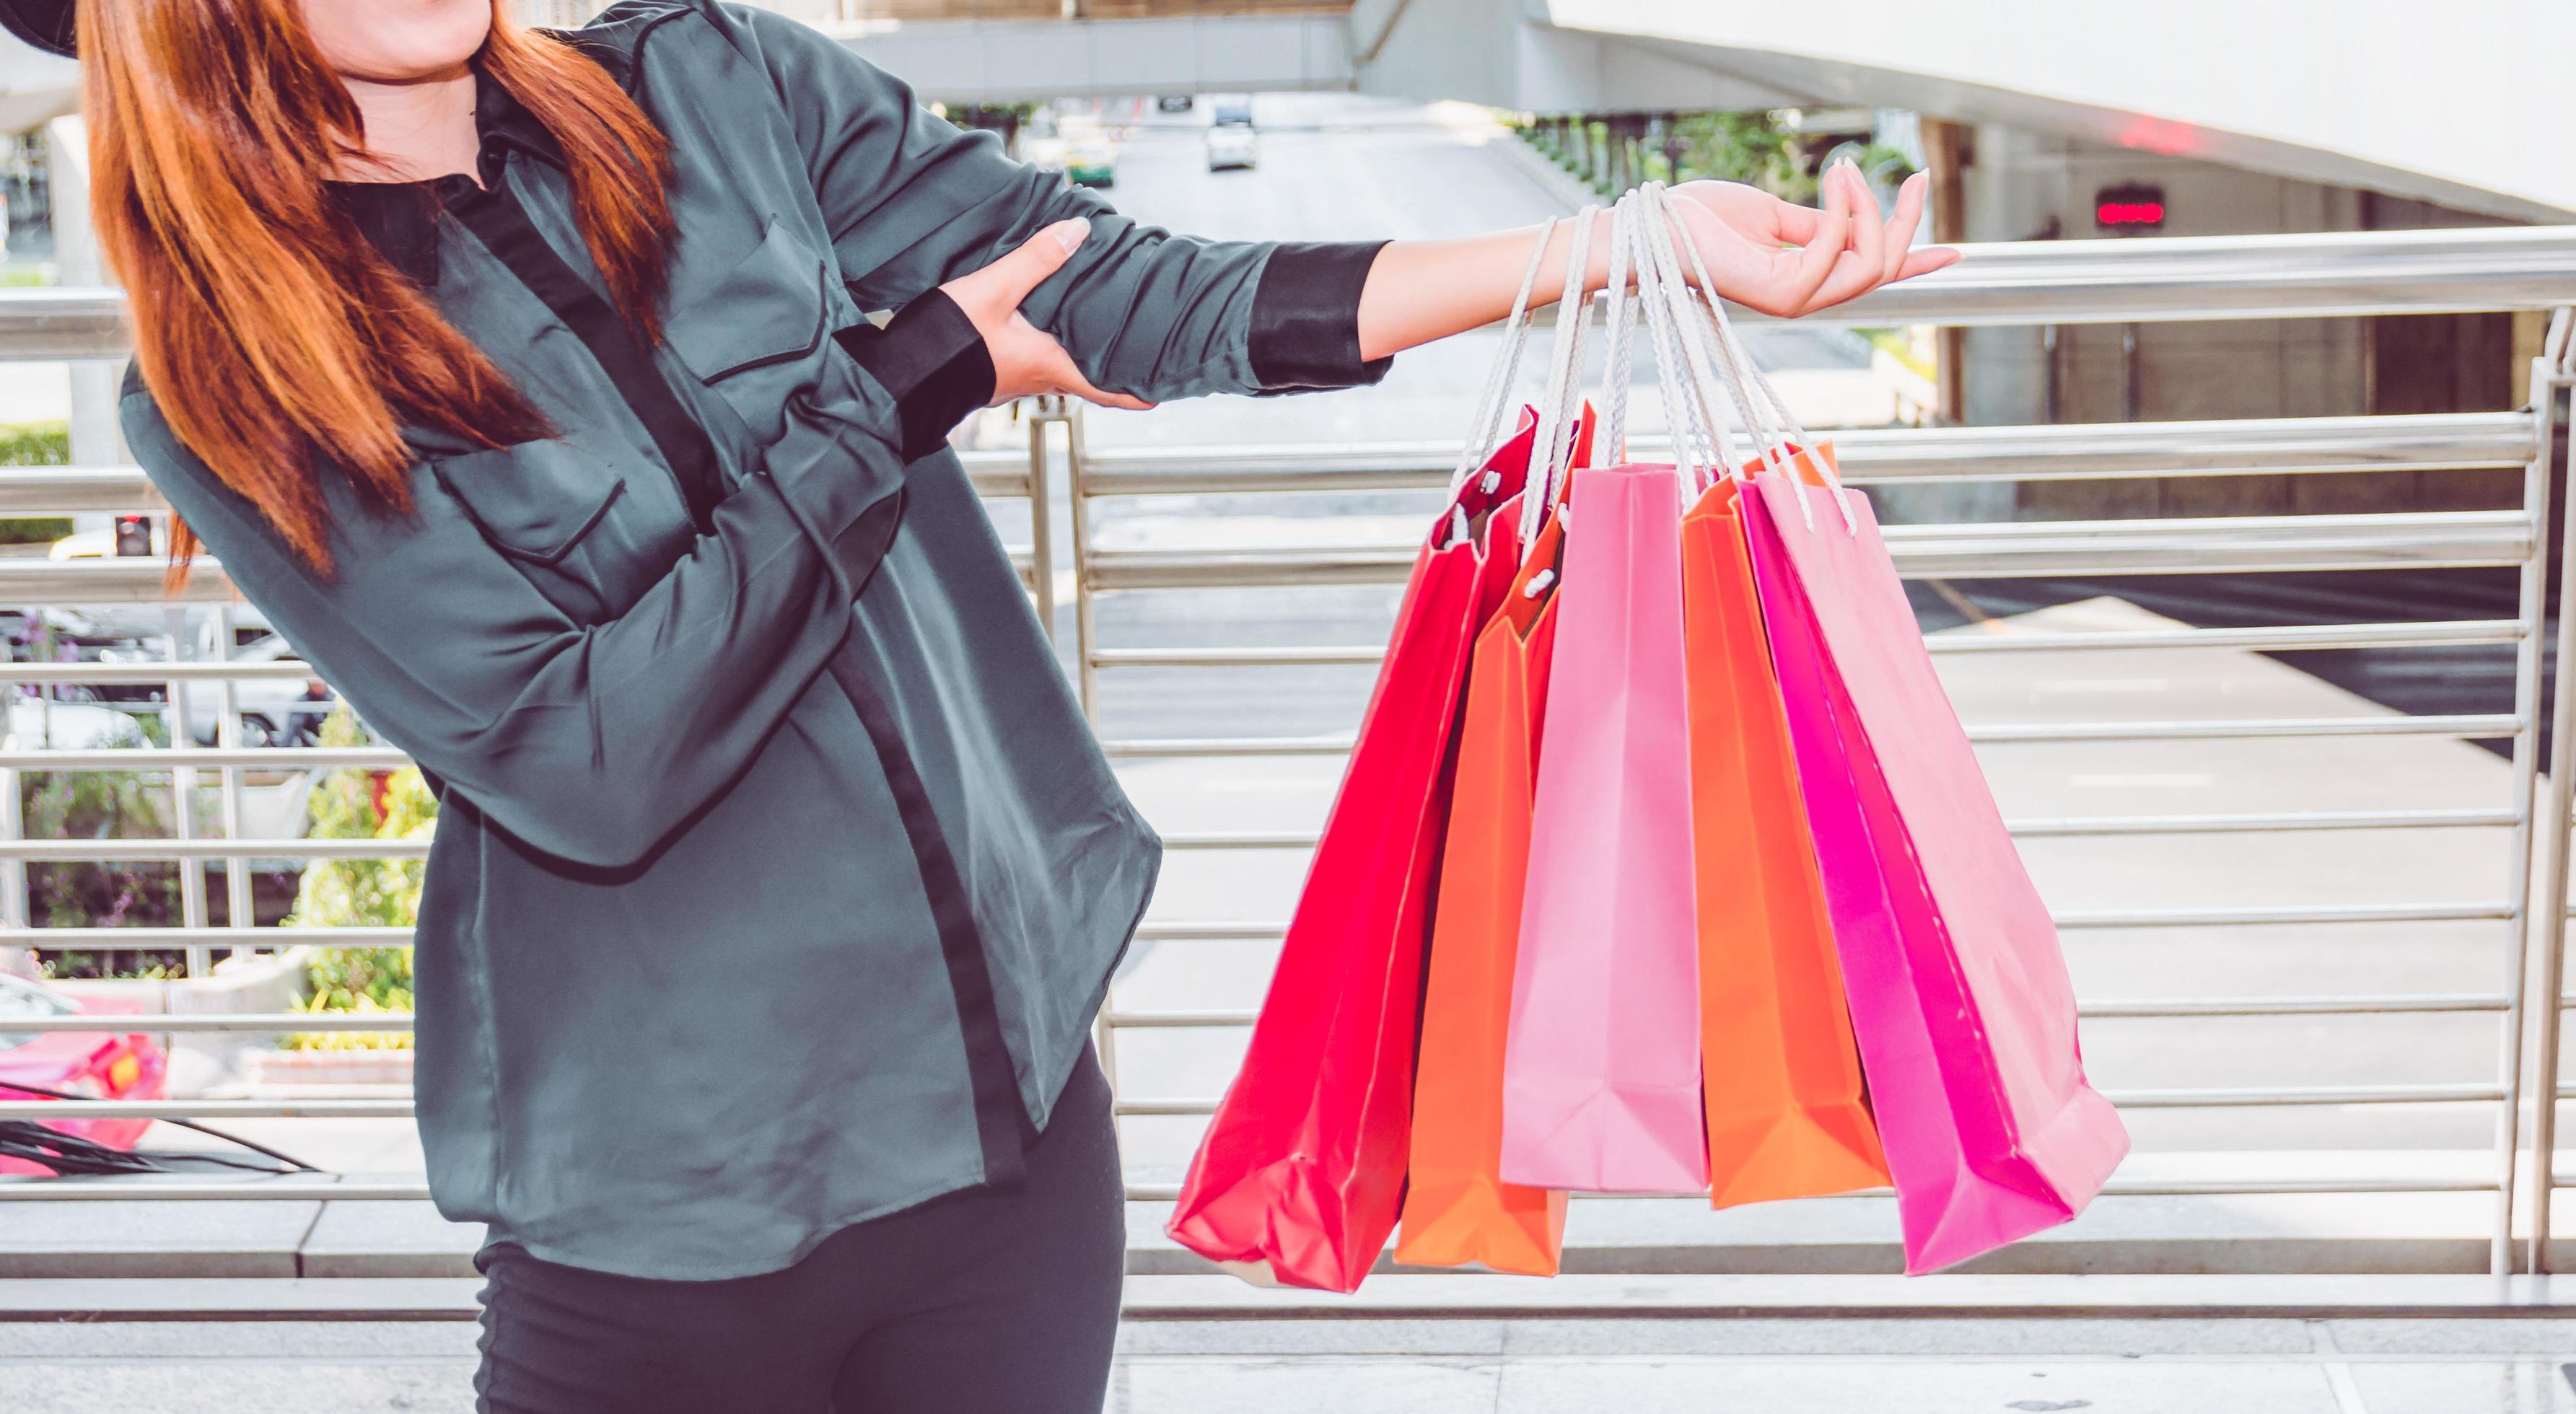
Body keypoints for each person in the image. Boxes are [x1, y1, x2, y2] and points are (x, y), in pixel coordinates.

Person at [6, 0, 1956, 1406]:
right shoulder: (231, 391)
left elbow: (1126, 290)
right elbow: (592, 760)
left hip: (1004, 1129)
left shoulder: (712, 83)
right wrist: (900, 387)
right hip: (660, 1221)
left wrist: (1613, 243)